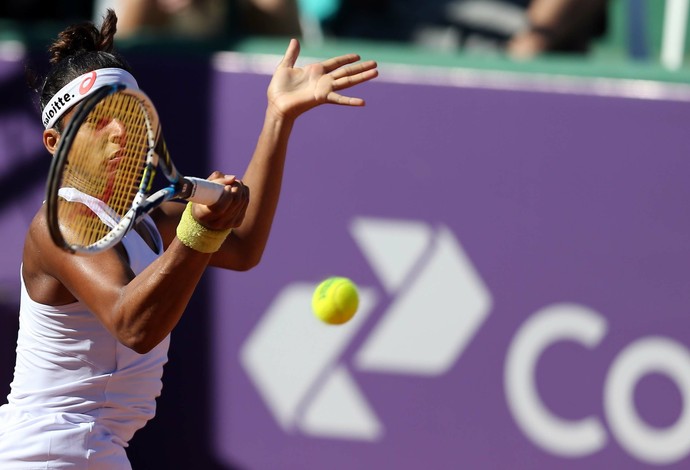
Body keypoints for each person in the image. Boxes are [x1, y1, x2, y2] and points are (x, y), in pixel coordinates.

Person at [0, 9, 377, 469]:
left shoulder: (144, 213)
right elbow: (134, 325)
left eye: (125, 112)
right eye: (97, 120)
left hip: (94, 450)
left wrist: (278, 117)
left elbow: (242, 246)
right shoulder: (61, 222)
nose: (119, 131)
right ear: (54, 142)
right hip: (49, 454)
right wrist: (200, 230)